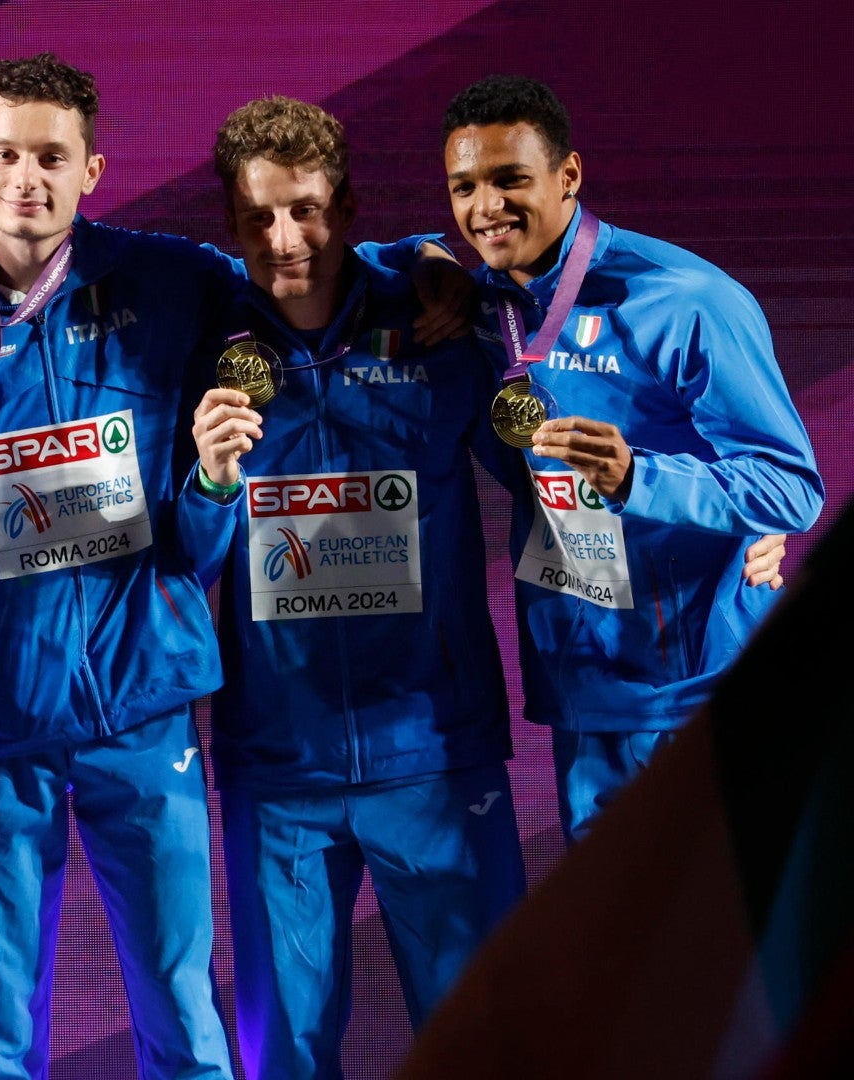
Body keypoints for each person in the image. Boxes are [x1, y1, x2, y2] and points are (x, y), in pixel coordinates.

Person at [0, 52, 244, 1079]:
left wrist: (417, 272)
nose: (30, 178)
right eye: (9, 154)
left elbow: (298, 274)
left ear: (93, 170)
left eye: (53, 157)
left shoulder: (172, 286)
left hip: (142, 710)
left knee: (185, 1017)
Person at [190, 95, 525, 1080]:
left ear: (344, 207)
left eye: (306, 210)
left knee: (482, 1042)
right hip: (280, 772)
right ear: (232, 226)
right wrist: (207, 481)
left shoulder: (437, 323)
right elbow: (184, 541)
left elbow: (547, 472)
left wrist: (739, 515)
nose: (285, 240)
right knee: (285, 1056)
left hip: (436, 757)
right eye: (259, 219)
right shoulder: (199, 345)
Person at [440, 74, 823, 844]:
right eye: (464, 186)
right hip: (585, 683)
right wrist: (417, 257)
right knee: (616, 951)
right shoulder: (477, 306)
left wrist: (640, 479)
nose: (486, 208)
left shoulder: (686, 301)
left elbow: (791, 489)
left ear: (568, 175)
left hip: (699, 683)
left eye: (511, 179)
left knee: (730, 942)